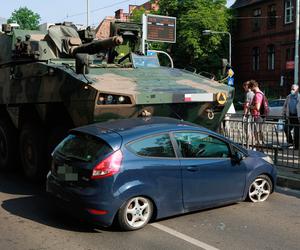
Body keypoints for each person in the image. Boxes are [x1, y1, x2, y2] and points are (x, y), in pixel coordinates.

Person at [282, 84, 300, 149]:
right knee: (286, 128)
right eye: (291, 89)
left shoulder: (299, 97)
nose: (292, 90)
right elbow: (285, 106)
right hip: (290, 116)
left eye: (293, 89)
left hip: (297, 117)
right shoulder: (288, 97)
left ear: (297, 90)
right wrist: (283, 113)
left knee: (296, 133)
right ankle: (290, 141)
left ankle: (296, 146)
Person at [248, 80, 265, 147]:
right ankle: (261, 144)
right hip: (261, 116)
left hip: (258, 116)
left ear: (254, 86)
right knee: (260, 131)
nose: (251, 90)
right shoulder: (261, 93)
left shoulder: (258, 95)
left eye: (251, 88)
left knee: (257, 131)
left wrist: (250, 106)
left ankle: (259, 146)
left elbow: (257, 107)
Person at [242, 81, 255, 146]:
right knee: (252, 130)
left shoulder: (248, 94)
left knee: (247, 130)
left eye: (244, 88)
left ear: (246, 86)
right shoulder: (253, 93)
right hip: (253, 114)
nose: (244, 89)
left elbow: (247, 105)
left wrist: (244, 114)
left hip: (248, 114)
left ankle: (248, 145)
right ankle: (253, 145)